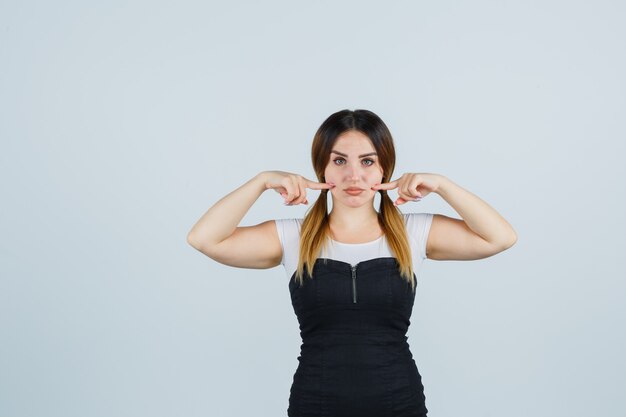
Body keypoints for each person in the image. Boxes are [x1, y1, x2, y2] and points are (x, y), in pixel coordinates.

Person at [187, 109, 517, 417]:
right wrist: (261, 181)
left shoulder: (413, 231)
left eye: (368, 161)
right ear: (323, 169)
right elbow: (205, 239)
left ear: (384, 168)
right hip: (314, 404)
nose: (354, 175)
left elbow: (499, 237)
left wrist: (443, 185)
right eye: (340, 160)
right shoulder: (294, 237)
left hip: (399, 403)